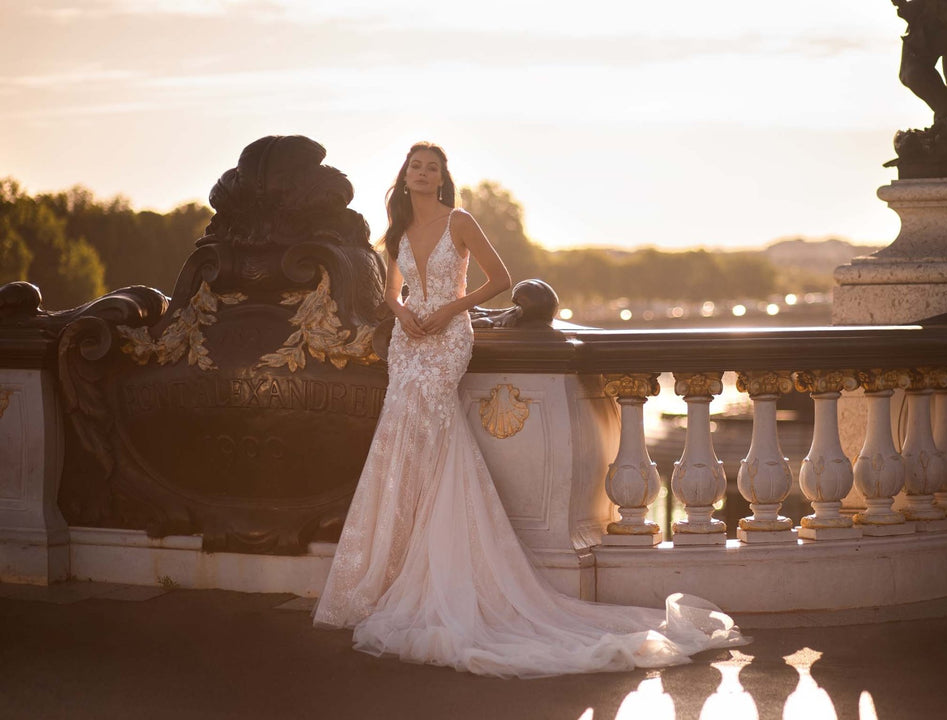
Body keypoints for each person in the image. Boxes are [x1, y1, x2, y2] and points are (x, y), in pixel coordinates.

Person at [313, 142, 749, 678]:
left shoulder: (461, 221)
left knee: (434, 434)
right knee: (399, 438)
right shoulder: (399, 231)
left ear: (442, 178)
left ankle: (436, 569)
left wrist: (450, 308)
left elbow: (499, 280)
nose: (422, 174)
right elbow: (392, 290)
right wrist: (402, 314)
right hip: (408, 344)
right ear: (404, 177)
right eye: (415, 167)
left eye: (432, 168)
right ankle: (391, 569)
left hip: (449, 338)